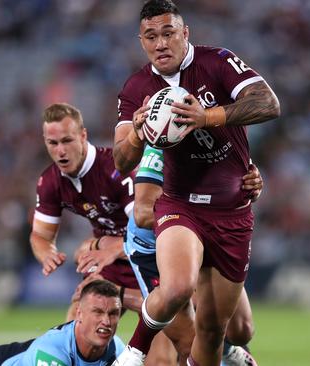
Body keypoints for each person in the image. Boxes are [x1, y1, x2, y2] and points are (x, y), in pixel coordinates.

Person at [112, 1, 280, 365]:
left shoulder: (217, 62)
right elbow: (121, 159)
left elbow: (268, 103)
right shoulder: (137, 87)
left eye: (168, 33)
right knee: (177, 287)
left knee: (216, 330)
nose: (161, 43)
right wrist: (139, 136)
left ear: (185, 33)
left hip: (232, 212)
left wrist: (207, 117)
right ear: (141, 41)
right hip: (180, 206)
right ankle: (132, 354)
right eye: (151, 36)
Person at [31, 102, 174, 360]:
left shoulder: (116, 169)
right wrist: (47, 254)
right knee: (78, 321)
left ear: (83, 136)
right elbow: (40, 235)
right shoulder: (51, 181)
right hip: (112, 264)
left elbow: (149, 228)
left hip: (152, 260)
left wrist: (105, 247)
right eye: (53, 143)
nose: (61, 151)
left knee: (161, 358)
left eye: (67, 140)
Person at [126, 145, 260, 366]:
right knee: (191, 341)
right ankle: (133, 352)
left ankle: (227, 347)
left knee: (241, 331)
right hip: (152, 247)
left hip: (208, 237)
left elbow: (243, 183)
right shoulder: (165, 138)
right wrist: (192, 212)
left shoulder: (223, 139)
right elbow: (142, 214)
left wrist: (252, 186)